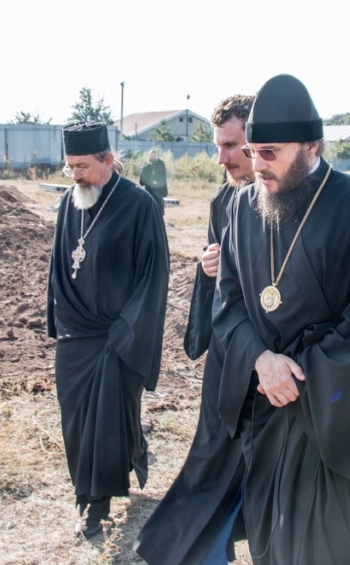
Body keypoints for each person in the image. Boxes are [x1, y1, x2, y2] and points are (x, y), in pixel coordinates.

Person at [213, 74, 350, 564]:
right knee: (267, 536)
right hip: (263, 400)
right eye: (252, 152)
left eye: (269, 153)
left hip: (324, 406)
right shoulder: (242, 206)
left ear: (312, 146)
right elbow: (228, 304)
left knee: (319, 543)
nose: (257, 165)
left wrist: (298, 375)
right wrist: (261, 360)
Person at [135, 94, 254, 565]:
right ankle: (201, 547)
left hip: (275, 352)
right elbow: (215, 260)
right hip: (230, 348)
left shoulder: (288, 200)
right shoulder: (222, 198)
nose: (222, 158)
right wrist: (209, 264)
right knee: (213, 450)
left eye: (232, 145)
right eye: (218, 145)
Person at [46, 120, 170, 538]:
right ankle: (130, 451)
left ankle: (94, 505)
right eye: (70, 167)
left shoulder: (139, 205)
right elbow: (59, 267)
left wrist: (126, 333)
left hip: (119, 335)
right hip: (75, 334)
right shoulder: (69, 204)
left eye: (82, 166)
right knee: (76, 420)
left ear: (108, 160)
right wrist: (61, 321)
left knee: (106, 421)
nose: (76, 175)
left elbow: (154, 277)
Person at [139, 149, 169, 215]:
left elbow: (163, 175)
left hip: (158, 188)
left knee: (159, 203)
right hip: (149, 187)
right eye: (151, 156)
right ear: (149, 156)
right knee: (149, 202)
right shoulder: (146, 164)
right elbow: (142, 176)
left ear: (156, 156)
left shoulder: (161, 163)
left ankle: (159, 215)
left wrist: (157, 181)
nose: (152, 157)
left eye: (153, 155)